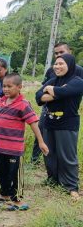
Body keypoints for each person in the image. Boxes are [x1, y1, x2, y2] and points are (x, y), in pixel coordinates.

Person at [0, 73, 49, 211]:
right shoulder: (0, 102)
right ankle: (5, 195)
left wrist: (41, 142)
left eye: (9, 86)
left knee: (15, 174)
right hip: (1, 147)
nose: (6, 89)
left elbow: (33, 123)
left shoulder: (23, 105)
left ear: (19, 87)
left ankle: (17, 200)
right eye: (4, 86)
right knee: (1, 171)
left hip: (15, 149)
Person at [35, 54, 83, 200]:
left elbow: (64, 91)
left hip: (67, 124)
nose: (57, 67)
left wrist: (50, 89)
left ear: (70, 65)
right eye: (56, 64)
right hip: (50, 122)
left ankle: (71, 186)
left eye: (61, 64)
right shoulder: (53, 80)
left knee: (67, 156)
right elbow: (38, 97)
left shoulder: (78, 81)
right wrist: (54, 90)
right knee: (49, 154)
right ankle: (53, 180)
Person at [31, 42, 83, 164]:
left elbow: (72, 90)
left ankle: (65, 174)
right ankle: (34, 160)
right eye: (56, 53)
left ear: (69, 52)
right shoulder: (51, 70)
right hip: (47, 109)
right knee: (42, 132)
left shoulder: (79, 71)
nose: (58, 55)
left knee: (64, 146)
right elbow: (40, 93)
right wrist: (56, 92)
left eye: (62, 52)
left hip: (68, 112)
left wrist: (58, 91)